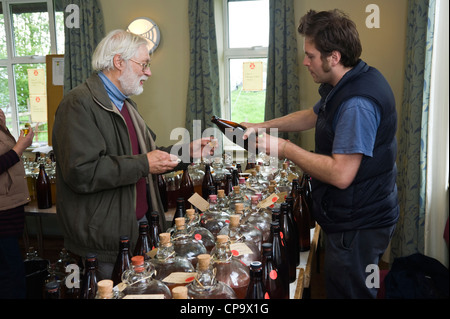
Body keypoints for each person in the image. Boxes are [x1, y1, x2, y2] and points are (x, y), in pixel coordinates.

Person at [242, 9, 399, 298]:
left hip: (359, 224)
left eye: (311, 55)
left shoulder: (357, 104)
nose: (305, 62)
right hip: (356, 214)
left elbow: (341, 175)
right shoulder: (347, 82)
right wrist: (263, 125)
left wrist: (286, 148)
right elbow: (312, 115)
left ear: (334, 57)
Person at [52, 29, 213, 280]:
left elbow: (147, 156)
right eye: (144, 64)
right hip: (104, 242)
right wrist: (144, 163)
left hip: (138, 230)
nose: (148, 72)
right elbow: (82, 172)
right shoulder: (78, 104)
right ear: (119, 62)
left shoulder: (126, 103)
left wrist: (186, 152)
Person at [0, 109, 35, 298]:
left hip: (10, 215)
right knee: (11, 280)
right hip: (2, 218)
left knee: (13, 274)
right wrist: (20, 148)